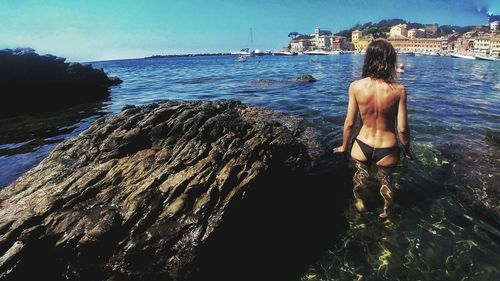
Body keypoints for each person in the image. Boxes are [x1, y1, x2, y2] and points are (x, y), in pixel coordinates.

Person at [334, 39, 413, 218]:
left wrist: (344, 147)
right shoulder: (399, 90)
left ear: (368, 59)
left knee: (359, 177)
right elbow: (402, 128)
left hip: (361, 145)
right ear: (391, 61)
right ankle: (386, 211)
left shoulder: (355, 86)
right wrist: (407, 151)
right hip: (387, 149)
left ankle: (359, 201)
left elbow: (349, 123)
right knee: (386, 180)